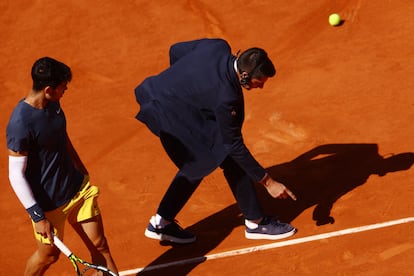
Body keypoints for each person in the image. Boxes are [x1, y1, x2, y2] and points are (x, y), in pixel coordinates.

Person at [134, 38, 297, 244]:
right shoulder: (226, 97)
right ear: (245, 76)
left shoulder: (217, 46)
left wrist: (187, 88)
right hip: (167, 113)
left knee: (212, 157)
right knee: (204, 159)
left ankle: (161, 222)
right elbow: (234, 144)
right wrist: (268, 182)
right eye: (259, 82)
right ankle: (256, 223)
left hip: (157, 92)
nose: (261, 87)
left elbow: (175, 51)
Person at [6, 57, 118, 275]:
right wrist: (38, 217)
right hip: (48, 205)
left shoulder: (53, 102)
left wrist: (79, 165)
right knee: (48, 256)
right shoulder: (20, 124)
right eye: (62, 86)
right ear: (48, 89)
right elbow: (15, 175)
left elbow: (60, 135)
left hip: (77, 189)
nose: (65, 88)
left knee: (100, 246)